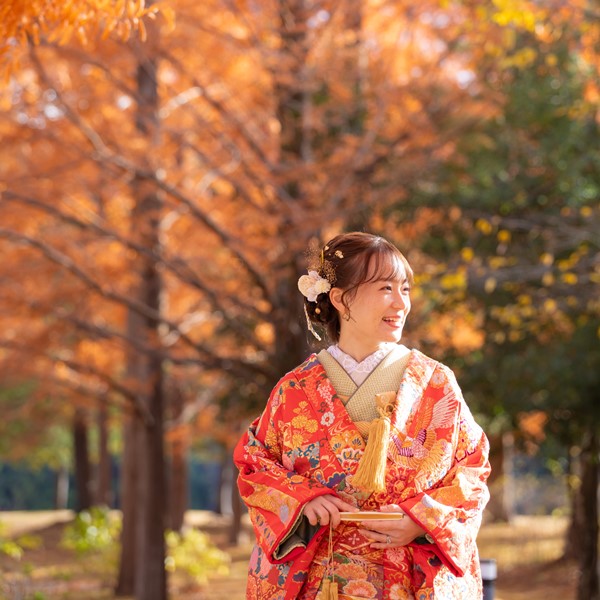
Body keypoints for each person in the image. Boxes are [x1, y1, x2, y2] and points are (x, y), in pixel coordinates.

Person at [233, 232, 491, 600]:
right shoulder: (294, 390)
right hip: (324, 579)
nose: (401, 303)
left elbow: (472, 467)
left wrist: (421, 521)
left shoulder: (435, 383)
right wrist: (303, 499)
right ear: (339, 298)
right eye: (386, 288)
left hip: (409, 573)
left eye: (405, 289)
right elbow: (255, 465)